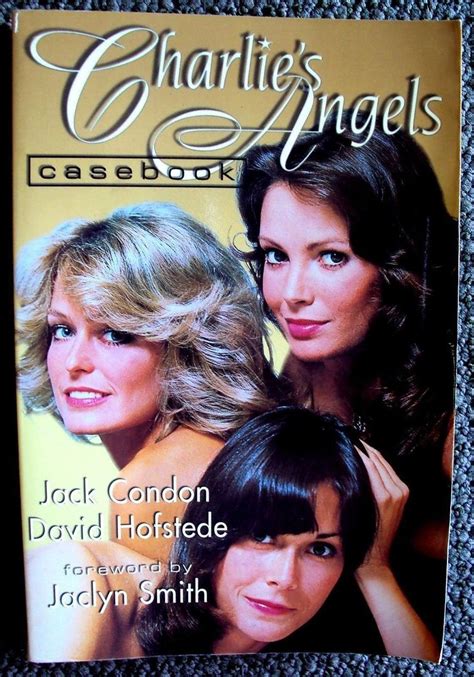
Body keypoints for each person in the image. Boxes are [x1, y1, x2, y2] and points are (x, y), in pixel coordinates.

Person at [237, 111, 456, 648]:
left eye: (331, 257)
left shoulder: (450, 421)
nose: (292, 293)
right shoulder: (276, 390)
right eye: (275, 256)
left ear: (398, 262)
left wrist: (377, 560)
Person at [30, 408, 435, 662]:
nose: (285, 578)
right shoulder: (79, 581)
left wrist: (375, 570)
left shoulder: (308, 646)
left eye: (320, 549)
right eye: (262, 535)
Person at [16, 202, 277, 560]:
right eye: (63, 330)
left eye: (116, 334)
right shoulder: (219, 451)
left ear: (186, 346)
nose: (74, 362)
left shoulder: (150, 487)